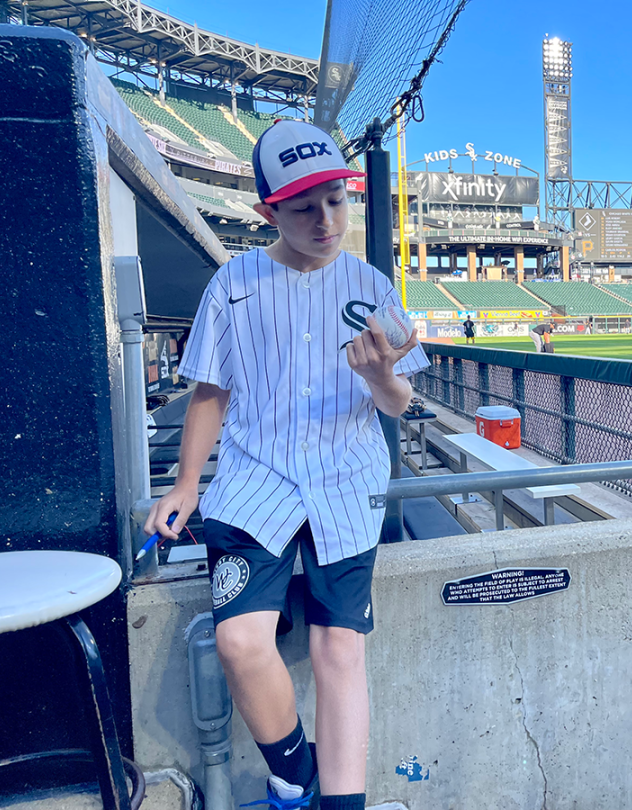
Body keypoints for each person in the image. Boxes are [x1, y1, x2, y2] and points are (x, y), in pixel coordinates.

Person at [143, 119, 429, 810]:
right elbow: (210, 392)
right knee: (240, 641)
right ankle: (296, 771)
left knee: (340, 649)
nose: (326, 220)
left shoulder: (370, 284)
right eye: (304, 207)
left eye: (336, 199)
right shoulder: (233, 283)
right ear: (268, 211)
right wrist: (186, 484)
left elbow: (398, 401)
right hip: (255, 480)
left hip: (345, 480)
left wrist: (381, 376)